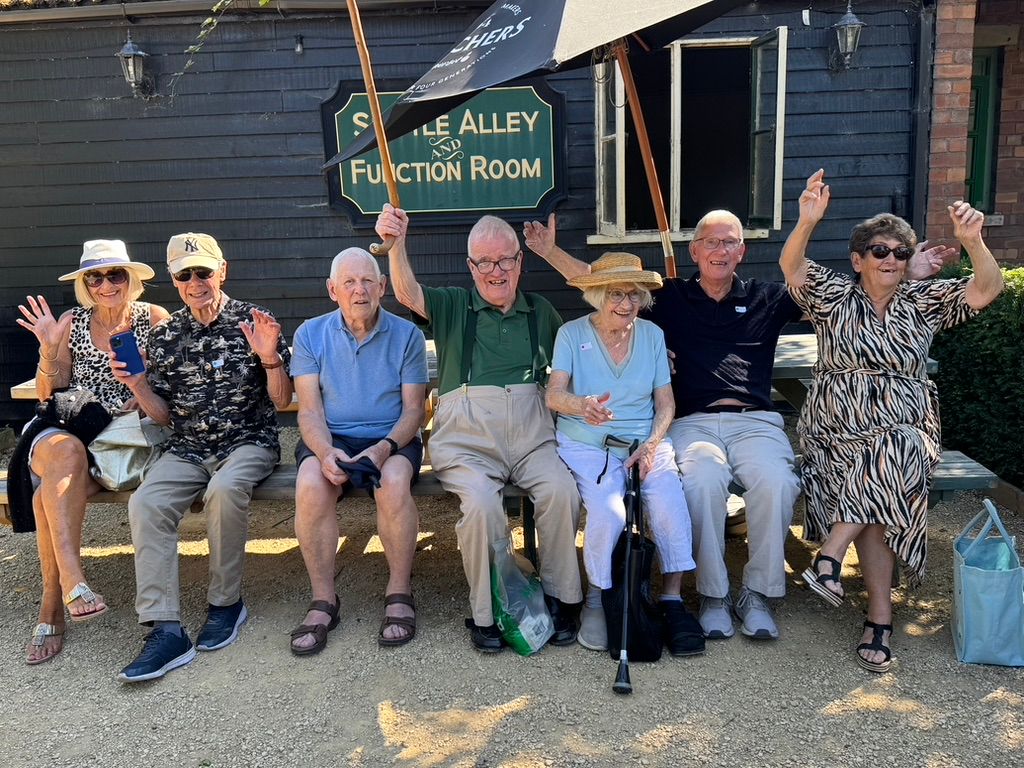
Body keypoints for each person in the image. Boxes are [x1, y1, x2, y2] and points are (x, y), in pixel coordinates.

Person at [524, 213, 948, 642]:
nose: (720, 251)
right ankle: (713, 595)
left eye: (730, 243)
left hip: (756, 420)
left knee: (778, 482)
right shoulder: (667, 297)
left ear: (742, 252)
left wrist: (902, 270)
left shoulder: (769, 296)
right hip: (695, 422)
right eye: (710, 242)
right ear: (695, 251)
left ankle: (758, 594)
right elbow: (600, 281)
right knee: (702, 481)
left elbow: (844, 296)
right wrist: (548, 252)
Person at [779, 169, 1003, 672]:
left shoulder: (923, 302)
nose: (891, 260)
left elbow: (986, 290)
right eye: (880, 251)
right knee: (883, 486)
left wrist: (974, 241)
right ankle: (879, 618)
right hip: (836, 432)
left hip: (906, 425)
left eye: (901, 253)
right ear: (858, 260)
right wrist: (807, 221)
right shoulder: (834, 297)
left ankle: (831, 554)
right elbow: (791, 266)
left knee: (897, 446)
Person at [375, 204, 583, 653]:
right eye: (485, 262)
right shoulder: (452, 304)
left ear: (519, 261)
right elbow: (409, 293)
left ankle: (561, 597)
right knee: (484, 507)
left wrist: (643, 356)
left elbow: (577, 360)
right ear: (471, 266)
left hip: (532, 435)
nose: (496, 271)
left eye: (505, 259)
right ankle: (487, 611)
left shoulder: (540, 312)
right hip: (466, 441)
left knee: (562, 492)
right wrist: (397, 244)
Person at [112, 232, 293, 682]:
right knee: (146, 502)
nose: (196, 282)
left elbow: (284, 400)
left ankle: (226, 604)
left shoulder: (254, 322)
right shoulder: (166, 335)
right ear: (174, 282)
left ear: (222, 271)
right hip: (188, 447)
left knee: (225, 490)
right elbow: (165, 416)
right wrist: (138, 385)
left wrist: (270, 360)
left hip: (248, 442)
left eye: (203, 271)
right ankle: (165, 627)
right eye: (184, 274)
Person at [13, 240, 169, 665]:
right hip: (69, 428)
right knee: (63, 453)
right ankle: (74, 583)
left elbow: (169, 384)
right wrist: (48, 349)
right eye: (95, 277)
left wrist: (142, 392)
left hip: (120, 440)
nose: (106, 285)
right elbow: (48, 394)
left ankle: (51, 606)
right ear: (85, 284)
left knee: (44, 494)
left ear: (130, 279)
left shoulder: (154, 319)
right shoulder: (71, 322)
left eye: (114, 274)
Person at [546, 252, 703, 656]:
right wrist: (582, 405)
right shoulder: (570, 334)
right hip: (587, 443)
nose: (626, 303)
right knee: (608, 511)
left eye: (634, 295)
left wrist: (652, 442)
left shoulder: (651, 335)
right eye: (616, 293)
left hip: (644, 442)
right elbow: (554, 395)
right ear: (597, 295)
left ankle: (671, 599)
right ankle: (599, 599)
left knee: (668, 501)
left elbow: (666, 402)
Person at [289, 248, 428, 655]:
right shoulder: (310, 334)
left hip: (391, 437)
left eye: (368, 281)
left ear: (382, 287)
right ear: (333, 290)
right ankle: (324, 600)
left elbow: (414, 411)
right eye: (348, 282)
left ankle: (399, 592)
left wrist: (384, 448)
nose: (359, 290)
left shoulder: (407, 335)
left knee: (394, 483)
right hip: (332, 437)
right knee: (311, 485)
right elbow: (310, 412)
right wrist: (325, 451)